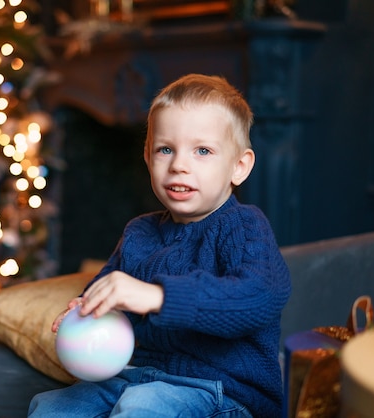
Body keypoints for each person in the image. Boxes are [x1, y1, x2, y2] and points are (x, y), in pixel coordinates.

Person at [28, 73, 291, 417]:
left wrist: (158, 296)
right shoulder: (139, 232)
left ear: (238, 167)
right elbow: (109, 287)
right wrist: (88, 308)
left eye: (202, 151)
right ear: (148, 158)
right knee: (50, 408)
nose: (179, 165)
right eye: (165, 149)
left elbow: (259, 296)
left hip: (222, 390)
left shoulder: (244, 226)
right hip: (135, 376)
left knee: (143, 407)